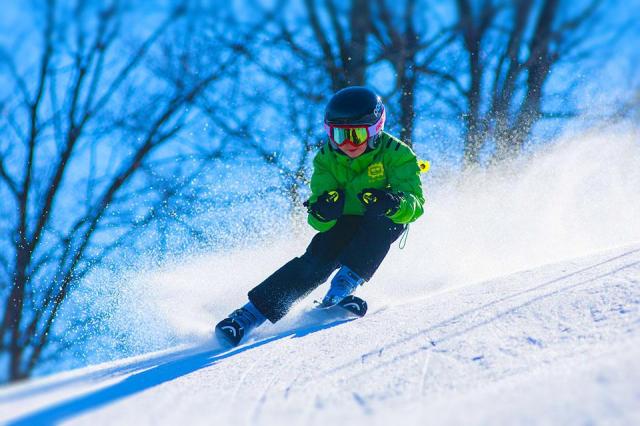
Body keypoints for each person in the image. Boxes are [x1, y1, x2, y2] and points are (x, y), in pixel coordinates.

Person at [215, 86, 425, 346]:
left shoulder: (397, 154)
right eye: (338, 135)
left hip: (379, 219)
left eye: (356, 135)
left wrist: (393, 203)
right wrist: (323, 211)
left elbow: (416, 205)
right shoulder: (326, 158)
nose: (347, 145)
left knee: (385, 224)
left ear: (374, 131)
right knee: (316, 260)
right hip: (344, 221)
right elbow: (317, 219)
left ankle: (342, 288)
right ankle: (248, 316)